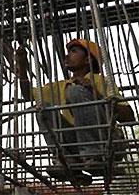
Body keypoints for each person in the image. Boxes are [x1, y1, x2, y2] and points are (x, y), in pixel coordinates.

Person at [16, 39, 135, 183]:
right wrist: (22, 67)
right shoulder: (62, 86)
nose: (67, 56)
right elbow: (28, 95)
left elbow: (128, 117)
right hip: (78, 146)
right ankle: (68, 162)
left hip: (109, 143)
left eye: (73, 52)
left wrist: (94, 93)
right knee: (41, 109)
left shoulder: (99, 80)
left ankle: (95, 156)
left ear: (87, 60)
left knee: (75, 92)